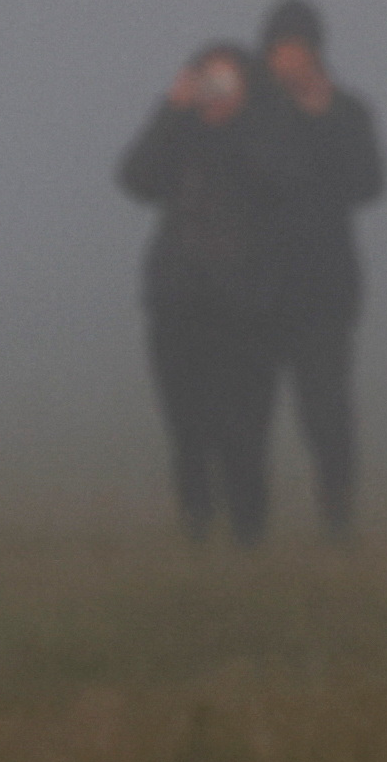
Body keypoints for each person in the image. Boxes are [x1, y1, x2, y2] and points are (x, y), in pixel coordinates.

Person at [116, 41, 279, 545]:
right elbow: (134, 178)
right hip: (177, 296)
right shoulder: (179, 133)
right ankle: (197, 526)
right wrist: (172, 109)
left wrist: (241, 118)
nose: (217, 92)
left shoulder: (264, 135)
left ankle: (249, 533)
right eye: (208, 80)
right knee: (187, 427)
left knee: (243, 427)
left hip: (245, 300)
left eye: (228, 82)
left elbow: (281, 182)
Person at [247, 0, 387, 540]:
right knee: (247, 415)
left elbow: (370, 184)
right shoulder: (251, 113)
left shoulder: (349, 113)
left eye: (296, 48)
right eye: (278, 49)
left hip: (325, 289)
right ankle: (247, 528)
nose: (287, 59)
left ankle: (337, 522)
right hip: (252, 287)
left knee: (326, 412)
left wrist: (322, 115)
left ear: (316, 52)